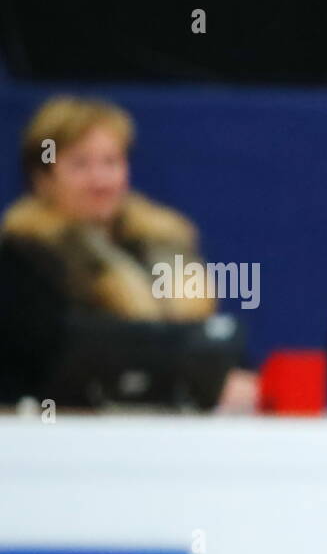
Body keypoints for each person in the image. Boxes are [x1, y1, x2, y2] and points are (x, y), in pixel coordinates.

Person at [0, 95, 258, 411]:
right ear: (42, 178)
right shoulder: (22, 255)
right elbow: (54, 355)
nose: (100, 179)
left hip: (165, 432)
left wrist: (233, 377)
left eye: (111, 162)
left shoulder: (163, 244)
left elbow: (213, 347)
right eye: (80, 164)